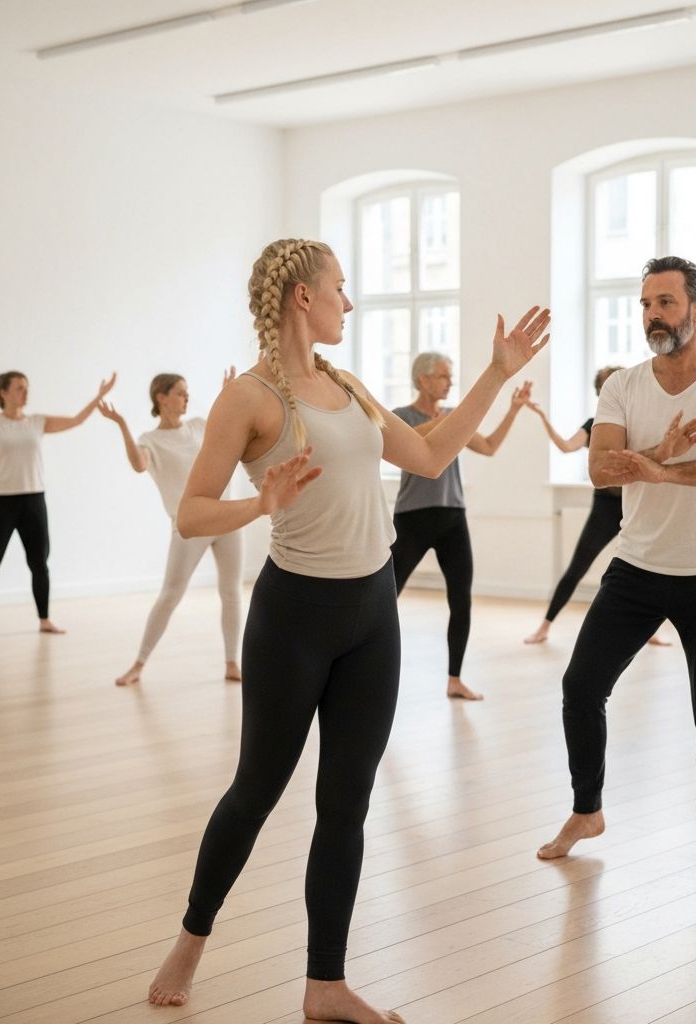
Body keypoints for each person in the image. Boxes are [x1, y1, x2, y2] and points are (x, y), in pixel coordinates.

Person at [147, 238, 548, 1023]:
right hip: (294, 618)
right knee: (257, 790)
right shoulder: (251, 398)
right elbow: (191, 511)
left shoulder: (350, 386)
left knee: (347, 804)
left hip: (372, 615)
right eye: (340, 287)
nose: (349, 302)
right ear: (304, 297)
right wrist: (259, 505)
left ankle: (324, 984)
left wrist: (497, 375)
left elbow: (431, 453)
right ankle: (192, 937)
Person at [536, 256, 696, 882]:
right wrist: (655, 452)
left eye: (665, 303)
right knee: (581, 688)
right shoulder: (623, 387)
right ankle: (587, 810)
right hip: (637, 567)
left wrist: (664, 471)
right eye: (645, 304)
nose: (652, 316)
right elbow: (600, 468)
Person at [390, 353, 532, 701]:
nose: (449, 382)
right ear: (422, 380)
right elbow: (408, 442)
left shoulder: (453, 417)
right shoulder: (401, 418)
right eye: (443, 376)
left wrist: (513, 410)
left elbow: (488, 447)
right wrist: (448, 421)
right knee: (384, 596)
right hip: (412, 516)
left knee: (461, 600)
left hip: (452, 515)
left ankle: (455, 679)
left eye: (450, 376)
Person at [97, 369, 244, 686]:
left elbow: (229, 429)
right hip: (190, 527)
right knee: (170, 596)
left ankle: (233, 662)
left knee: (231, 592)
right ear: (161, 398)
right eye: (180, 392)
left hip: (226, 519)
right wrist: (122, 423)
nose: (186, 397)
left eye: (187, 391)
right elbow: (139, 465)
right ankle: (138, 664)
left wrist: (229, 395)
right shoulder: (150, 441)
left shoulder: (198, 426)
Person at [523, 365, 668, 647]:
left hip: (635, 505)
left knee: (649, 569)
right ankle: (544, 626)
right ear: (601, 392)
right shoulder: (595, 424)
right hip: (605, 507)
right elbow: (566, 446)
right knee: (578, 566)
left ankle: (649, 630)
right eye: (606, 386)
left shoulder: (641, 421)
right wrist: (541, 415)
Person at [0, 369, 117, 633]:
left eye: (27, 387)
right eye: (19, 388)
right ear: (3, 392)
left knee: (39, 561)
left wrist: (99, 396)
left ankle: (44, 619)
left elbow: (75, 420)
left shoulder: (36, 422)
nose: (25, 392)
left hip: (33, 500)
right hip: (2, 502)